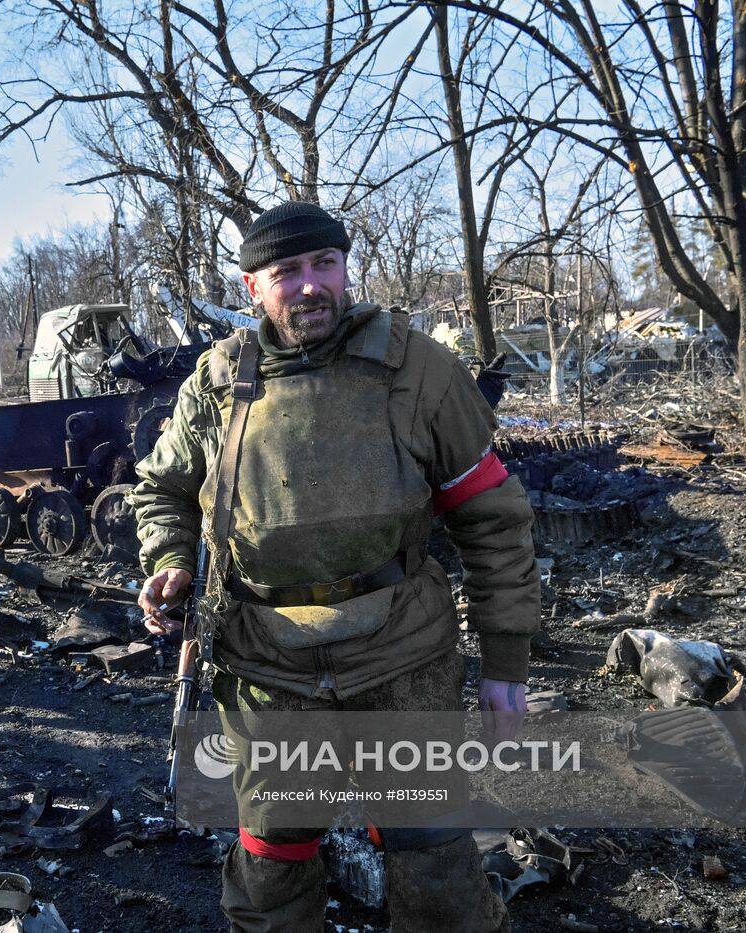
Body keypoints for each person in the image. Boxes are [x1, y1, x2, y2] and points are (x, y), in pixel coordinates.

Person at [131, 202, 539, 932]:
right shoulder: (219, 383)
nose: (311, 285)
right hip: (266, 665)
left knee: (434, 856)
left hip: (401, 653)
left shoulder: (419, 371)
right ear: (253, 286)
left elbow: (493, 519)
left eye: (325, 264)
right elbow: (163, 488)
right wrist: (169, 561)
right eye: (287, 272)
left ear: (347, 268)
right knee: (273, 861)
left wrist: (505, 665)